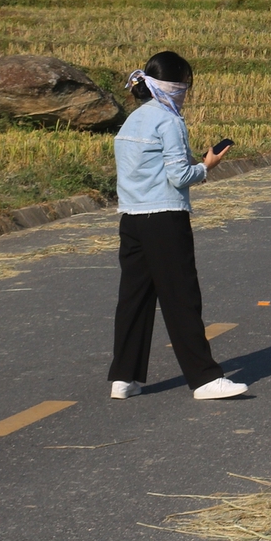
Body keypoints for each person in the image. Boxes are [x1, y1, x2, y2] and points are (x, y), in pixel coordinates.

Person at [107, 50, 247, 402]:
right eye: (184, 84)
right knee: (181, 296)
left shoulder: (132, 121)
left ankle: (124, 376)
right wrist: (207, 165)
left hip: (132, 219)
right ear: (171, 86)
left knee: (133, 298)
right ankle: (204, 378)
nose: (186, 90)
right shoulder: (169, 121)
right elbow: (178, 175)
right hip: (166, 218)